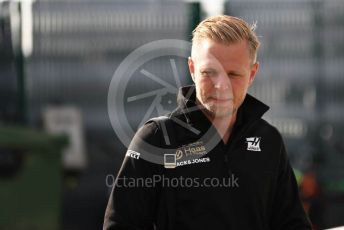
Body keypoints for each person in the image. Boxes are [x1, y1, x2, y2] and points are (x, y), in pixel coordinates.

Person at [103, 15, 312, 230]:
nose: (221, 85)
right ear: (192, 70)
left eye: (233, 74)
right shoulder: (156, 139)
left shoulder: (269, 141)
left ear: (252, 74)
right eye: (209, 72)